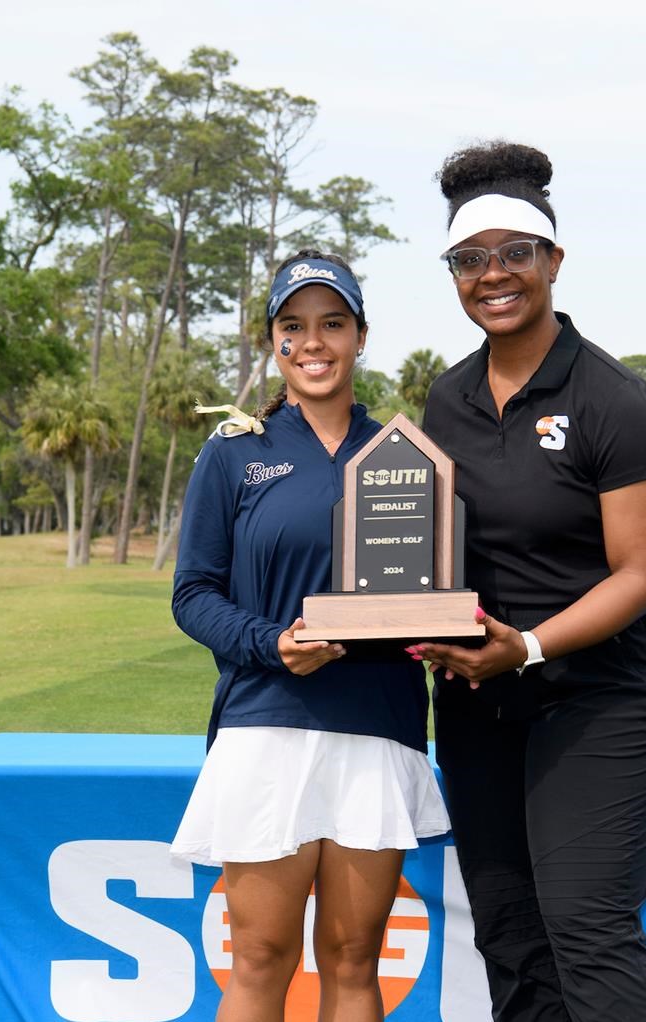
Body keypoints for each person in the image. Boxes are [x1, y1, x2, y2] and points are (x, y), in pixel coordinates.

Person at [407, 142, 646, 1022]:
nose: (493, 275)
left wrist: (524, 646)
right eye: (470, 259)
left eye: (514, 253)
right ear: (454, 273)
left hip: (598, 694)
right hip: (480, 701)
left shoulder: (612, 398)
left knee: (586, 925)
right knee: (510, 930)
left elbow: (643, 572)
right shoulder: (445, 401)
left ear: (553, 261)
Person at [170, 250, 449, 1022]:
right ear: (272, 341)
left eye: (332, 323)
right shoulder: (236, 451)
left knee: (355, 959)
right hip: (268, 721)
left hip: (377, 724)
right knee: (259, 958)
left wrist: (441, 631)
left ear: (360, 336)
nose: (313, 342)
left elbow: (432, 590)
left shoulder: (406, 455)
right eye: (293, 326)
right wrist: (271, 643)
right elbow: (193, 594)